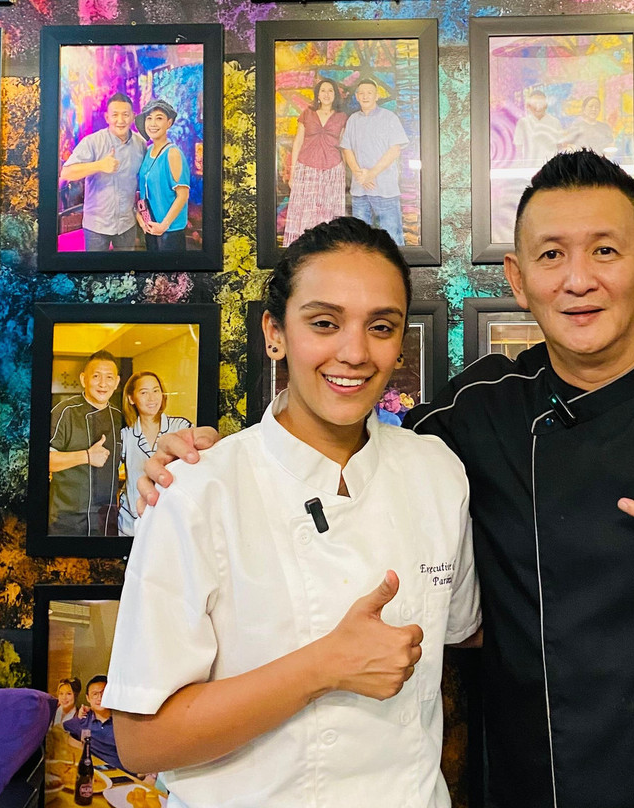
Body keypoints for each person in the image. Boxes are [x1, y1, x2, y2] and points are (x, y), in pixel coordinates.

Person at [138, 150, 634, 808]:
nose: (578, 280)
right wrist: (207, 455)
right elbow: (337, 435)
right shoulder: (473, 414)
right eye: (551, 255)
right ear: (519, 280)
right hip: (535, 785)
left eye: (605, 251)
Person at [103, 217, 480, 807]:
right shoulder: (197, 488)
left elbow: (465, 630)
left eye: (381, 327)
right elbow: (142, 741)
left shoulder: (437, 472)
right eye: (324, 323)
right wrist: (324, 666)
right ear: (275, 333)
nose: (354, 353)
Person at [48, 350, 123, 536]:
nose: (103, 384)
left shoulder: (119, 417)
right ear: (83, 379)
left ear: (117, 382)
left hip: (106, 518)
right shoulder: (64, 411)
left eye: (109, 377)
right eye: (96, 376)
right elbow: (43, 460)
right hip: (67, 518)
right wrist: (87, 456)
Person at [60, 92, 147, 251]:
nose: (120, 120)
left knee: (127, 266)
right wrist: (99, 165)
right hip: (97, 225)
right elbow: (66, 173)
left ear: (133, 117)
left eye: (125, 115)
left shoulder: (140, 144)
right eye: (115, 115)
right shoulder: (92, 142)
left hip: (127, 223)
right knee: (95, 266)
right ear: (107, 117)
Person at [117, 371, 192, 537]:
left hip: (172, 521)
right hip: (131, 523)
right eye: (144, 392)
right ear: (131, 398)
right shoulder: (125, 435)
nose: (152, 398)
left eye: (156, 391)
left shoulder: (181, 427)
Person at [341, 78, 410, 246]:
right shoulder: (353, 120)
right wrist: (359, 174)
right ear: (357, 96)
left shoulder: (389, 118)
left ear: (377, 96)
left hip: (385, 189)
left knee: (392, 238)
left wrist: (371, 174)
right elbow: (347, 149)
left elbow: (395, 150)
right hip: (360, 190)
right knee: (360, 241)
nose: (365, 96)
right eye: (361, 93)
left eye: (369, 93)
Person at [283, 78, 348, 247]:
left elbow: (344, 146)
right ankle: (303, 249)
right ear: (318, 95)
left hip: (333, 169)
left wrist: (347, 172)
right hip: (306, 168)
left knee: (328, 211)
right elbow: (298, 142)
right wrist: (292, 172)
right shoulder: (307, 113)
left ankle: (327, 249)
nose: (326, 94)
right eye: (323, 90)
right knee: (305, 210)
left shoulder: (342, 117)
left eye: (330, 91)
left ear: (335, 95)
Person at [134, 99, 190, 252]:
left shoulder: (173, 153)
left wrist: (164, 225)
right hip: (150, 227)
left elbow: (183, 195)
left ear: (169, 123)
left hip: (169, 231)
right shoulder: (148, 152)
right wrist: (140, 217)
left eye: (159, 118)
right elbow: (143, 191)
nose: (153, 123)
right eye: (149, 118)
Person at [62, 675, 125, 770]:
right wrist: (81, 746)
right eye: (95, 694)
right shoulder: (83, 719)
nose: (100, 698)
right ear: (88, 698)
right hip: (96, 770)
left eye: (104, 693)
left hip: (124, 773)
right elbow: (60, 730)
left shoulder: (123, 721)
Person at [512, 88, 563, 166]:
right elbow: (518, 147)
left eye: (541, 102)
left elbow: (560, 146)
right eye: (535, 103)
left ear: (546, 105)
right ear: (529, 105)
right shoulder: (522, 123)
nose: (538, 106)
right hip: (529, 166)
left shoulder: (555, 122)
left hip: (551, 166)